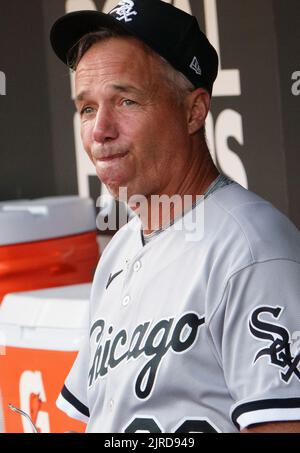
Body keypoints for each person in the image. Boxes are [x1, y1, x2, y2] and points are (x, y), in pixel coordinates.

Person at [50, 0, 300, 433]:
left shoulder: (253, 251)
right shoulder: (118, 252)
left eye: (125, 101)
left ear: (194, 111)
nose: (99, 130)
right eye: (87, 108)